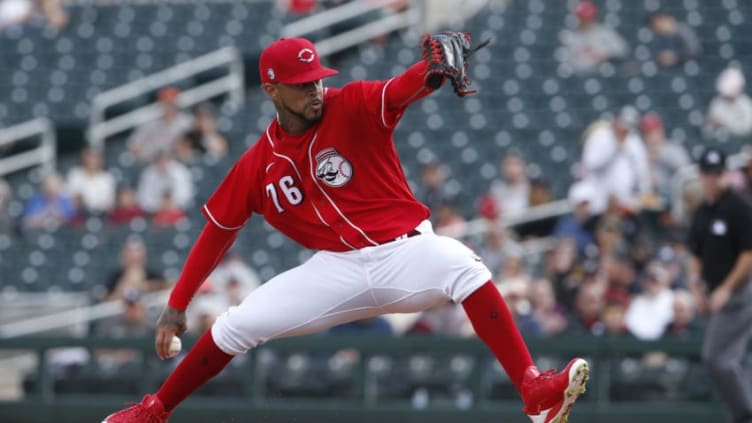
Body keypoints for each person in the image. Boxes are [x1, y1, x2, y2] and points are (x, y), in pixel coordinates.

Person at [102, 35, 589, 423]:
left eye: (316, 79)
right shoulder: (256, 165)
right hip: (337, 269)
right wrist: (177, 306)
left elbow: (403, 88)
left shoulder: (351, 103)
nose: (314, 90)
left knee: (462, 263)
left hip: (405, 254)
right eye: (301, 84)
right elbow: (218, 231)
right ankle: (153, 412)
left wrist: (430, 72)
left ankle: (532, 390)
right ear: (272, 89)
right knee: (236, 324)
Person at [687, 147, 752, 423]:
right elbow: (696, 255)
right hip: (715, 293)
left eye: (717, 173)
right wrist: (695, 288)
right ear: (701, 175)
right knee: (735, 360)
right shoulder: (703, 211)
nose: (712, 179)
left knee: (717, 358)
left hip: (740, 293)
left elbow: (749, 254)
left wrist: (725, 289)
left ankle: (745, 413)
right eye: (707, 173)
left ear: (726, 174)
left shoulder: (738, 207)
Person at [558, 0, 628, 75]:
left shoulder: (605, 33)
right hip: (578, 77)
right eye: (583, 17)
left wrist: (605, 55)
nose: (586, 20)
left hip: (603, 75)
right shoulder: (570, 36)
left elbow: (622, 51)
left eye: (588, 17)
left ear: (593, 17)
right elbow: (563, 61)